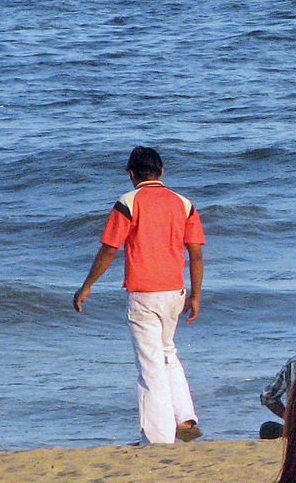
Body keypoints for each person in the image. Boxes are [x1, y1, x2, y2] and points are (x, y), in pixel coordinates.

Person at [73, 146, 205, 445]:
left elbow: (110, 248)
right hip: (175, 290)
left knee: (150, 364)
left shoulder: (128, 202)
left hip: (144, 292)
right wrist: (195, 295)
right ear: (161, 172)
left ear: (132, 174)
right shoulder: (184, 204)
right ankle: (184, 417)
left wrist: (87, 285)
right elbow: (195, 254)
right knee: (167, 351)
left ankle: (158, 437)